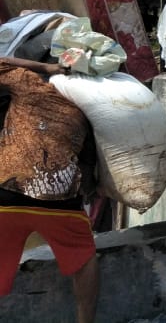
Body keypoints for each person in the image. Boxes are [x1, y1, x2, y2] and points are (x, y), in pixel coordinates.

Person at [0, 55, 98, 323]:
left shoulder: (29, 84)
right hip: (59, 203)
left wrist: (44, 67)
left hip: (7, 194)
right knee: (85, 258)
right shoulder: (85, 112)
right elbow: (89, 172)